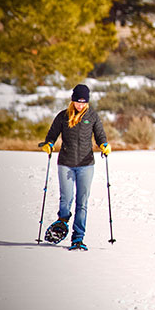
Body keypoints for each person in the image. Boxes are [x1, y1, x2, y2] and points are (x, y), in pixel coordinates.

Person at [39, 83, 110, 251]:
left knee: (82, 202)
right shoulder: (63, 116)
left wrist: (104, 145)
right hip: (66, 163)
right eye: (78, 102)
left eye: (83, 102)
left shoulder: (92, 116)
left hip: (86, 165)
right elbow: (52, 135)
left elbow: (100, 135)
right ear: (72, 101)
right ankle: (62, 221)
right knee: (66, 199)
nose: (80, 105)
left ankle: (78, 238)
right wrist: (49, 144)